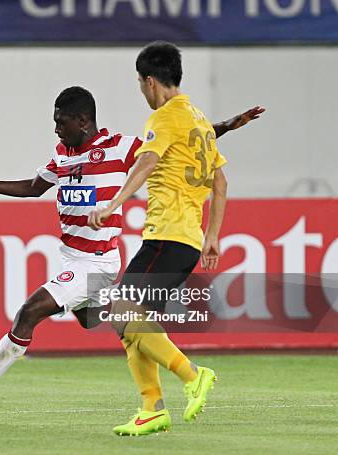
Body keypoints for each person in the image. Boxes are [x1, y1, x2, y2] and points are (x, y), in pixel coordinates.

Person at [0, 86, 263, 417]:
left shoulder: (120, 149)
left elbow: (178, 141)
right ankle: (132, 319)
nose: (56, 128)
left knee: (30, 312)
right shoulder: (63, 156)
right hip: (71, 256)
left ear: (82, 120)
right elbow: (32, 187)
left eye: (61, 122)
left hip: (95, 261)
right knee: (96, 320)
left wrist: (225, 125)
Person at [88, 41, 264, 436]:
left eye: (140, 83)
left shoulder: (165, 118)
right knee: (130, 323)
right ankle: (152, 408)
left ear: (150, 81)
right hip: (185, 238)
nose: (141, 90)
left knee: (119, 311)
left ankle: (192, 375)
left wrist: (113, 202)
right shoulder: (197, 120)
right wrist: (213, 235)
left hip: (167, 235)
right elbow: (220, 181)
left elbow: (147, 162)